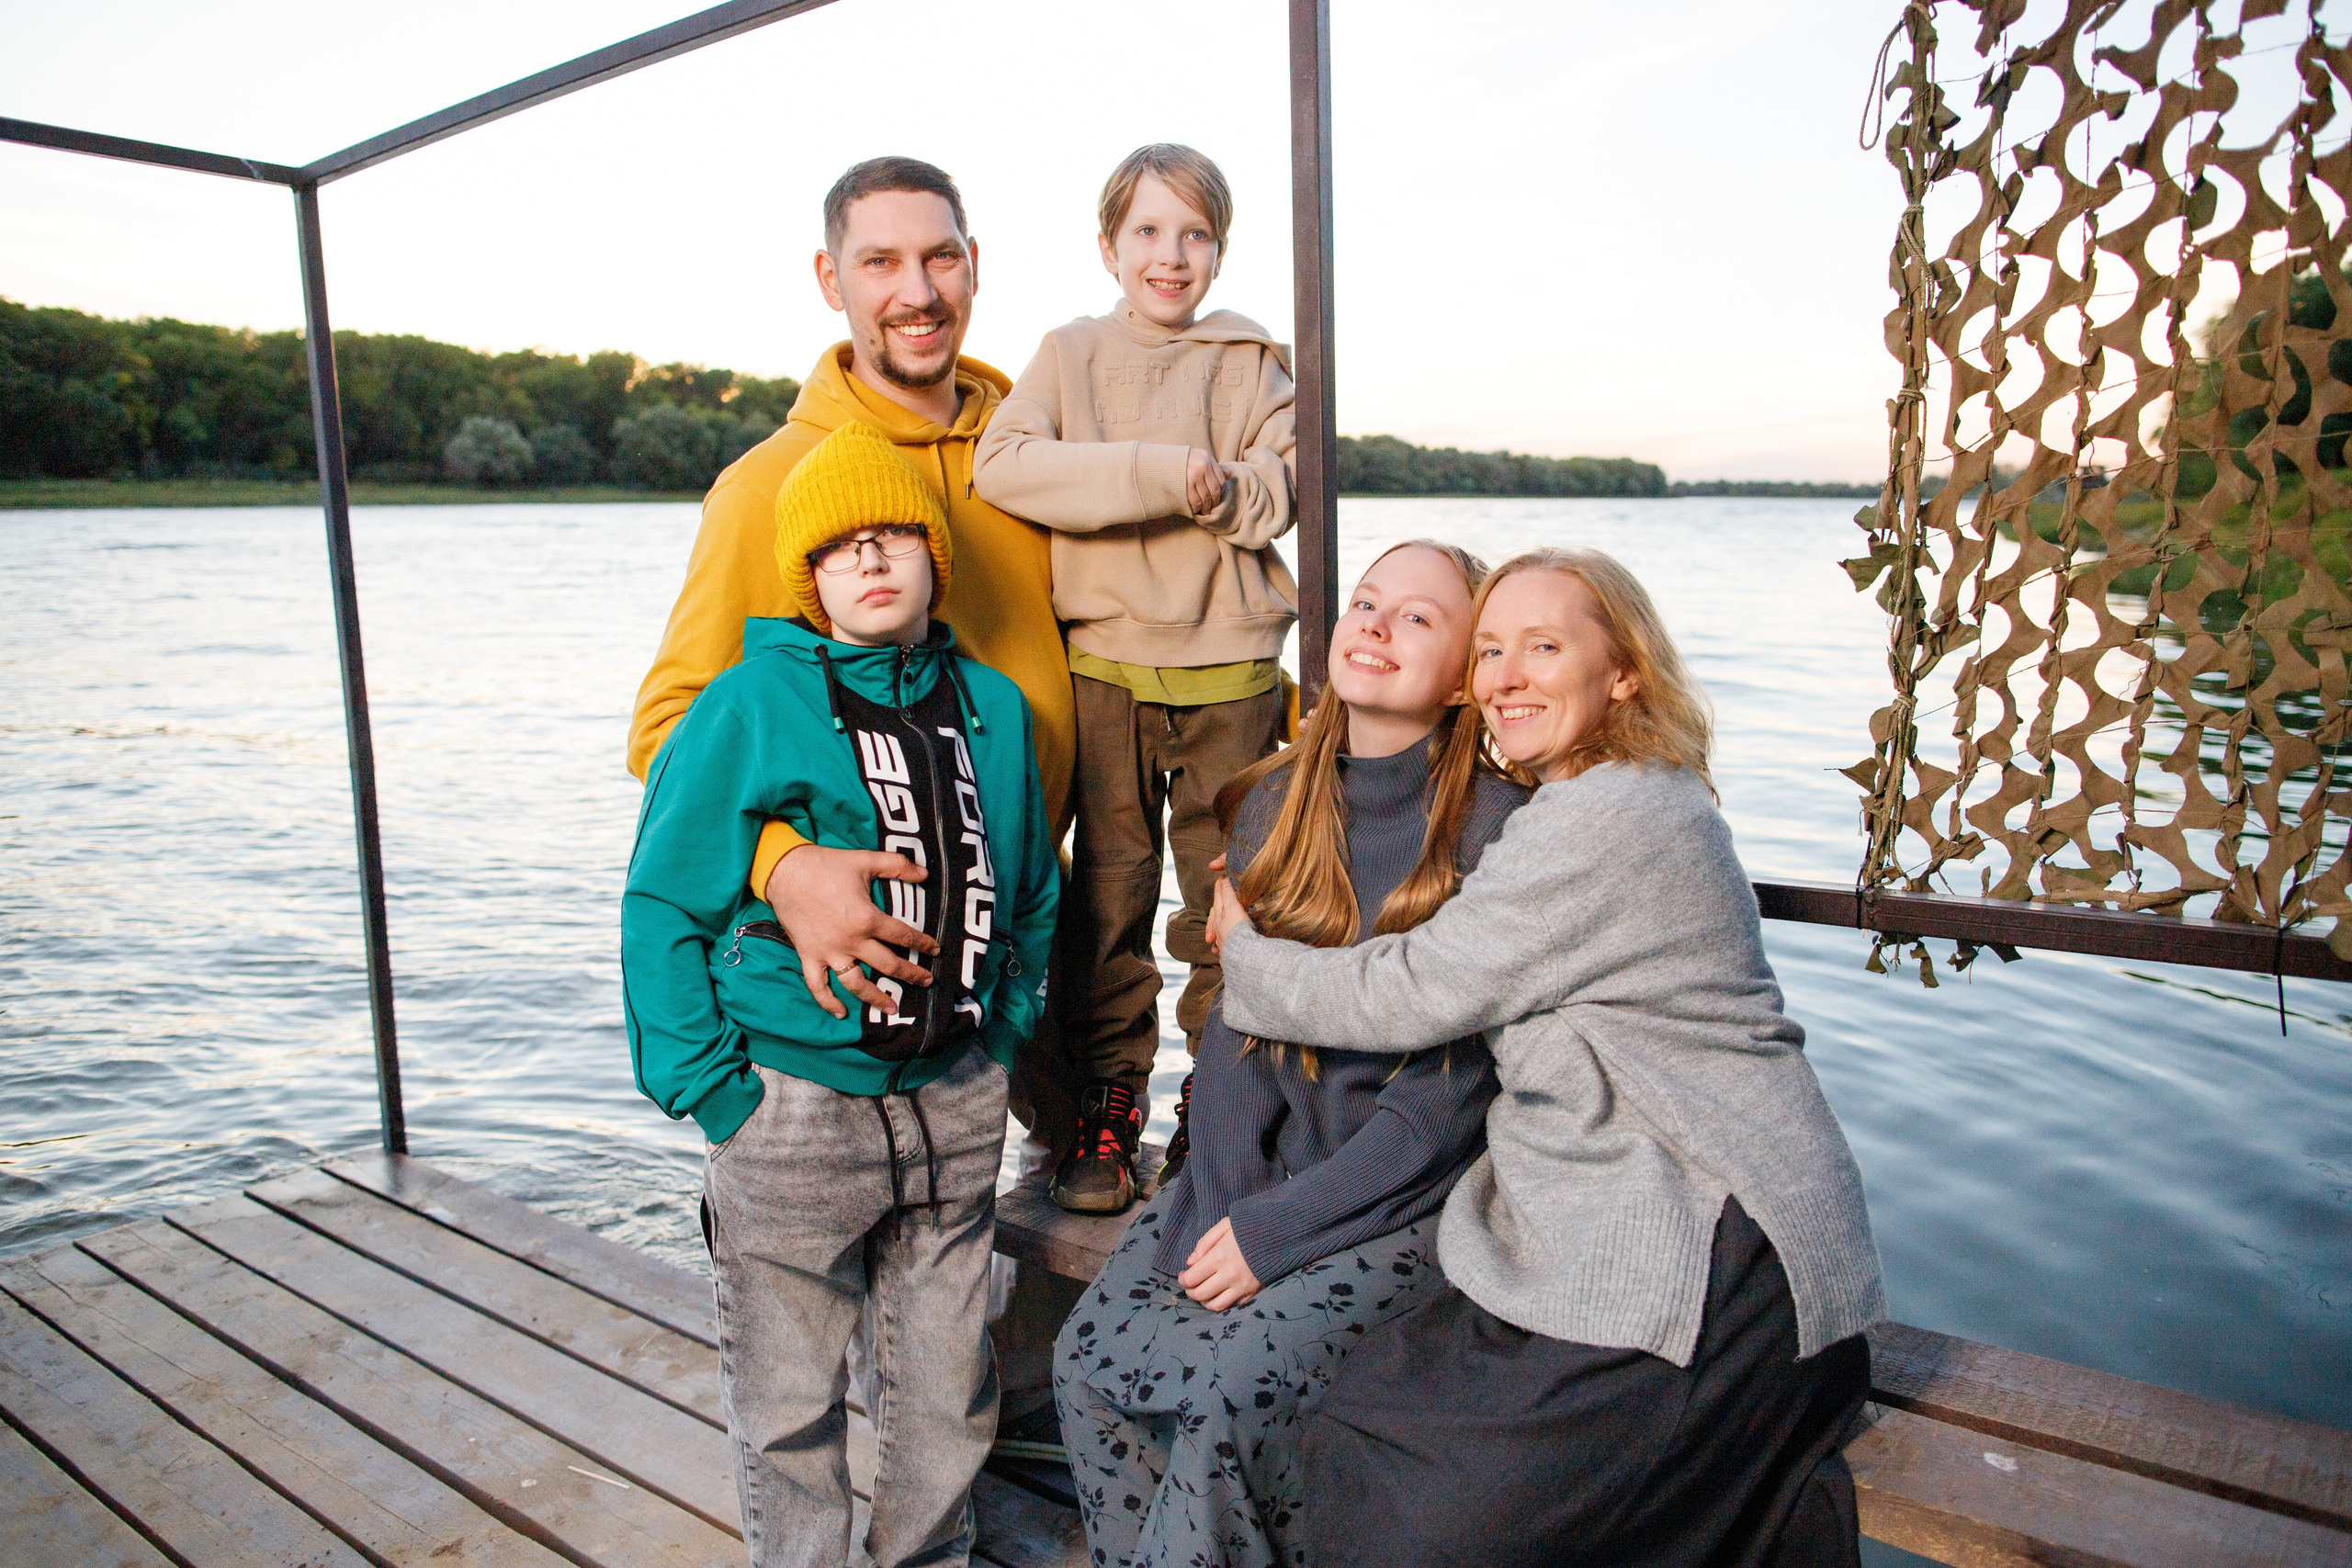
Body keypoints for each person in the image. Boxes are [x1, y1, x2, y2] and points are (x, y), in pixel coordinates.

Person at [1208, 547, 1885, 1568]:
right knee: (1365, 1418)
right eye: (1487, 650)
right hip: (1608, 1210)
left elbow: (1411, 989)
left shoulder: (1617, 816)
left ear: (1624, 675)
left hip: (1715, 1235)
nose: (1506, 676)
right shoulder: (1592, 798)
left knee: (1432, 1513)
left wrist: (1242, 949)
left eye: (1543, 646)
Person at [625, 155, 1080, 1452]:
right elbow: (670, 731)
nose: (915, 290)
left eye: (939, 257)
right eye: (880, 262)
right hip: (834, 998)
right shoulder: (772, 484)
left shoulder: (1025, 456)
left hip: (999, 962)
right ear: (832, 281)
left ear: (976, 266)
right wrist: (781, 869)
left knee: (953, 1345)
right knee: (814, 1364)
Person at [622, 419, 1057, 1568]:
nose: (868, 560)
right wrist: (713, 1094)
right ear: (809, 579)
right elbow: (662, 902)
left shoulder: (995, 710)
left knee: (948, 1396)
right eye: (838, 548)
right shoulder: (747, 705)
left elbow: (1031, 892)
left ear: (933, 558)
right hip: (791, 1109)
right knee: (788, 1409)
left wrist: (999, 1039)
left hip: (954, 1101)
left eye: (893, 537)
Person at [1054, 541, 1523, 1568]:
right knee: (1087, 1362)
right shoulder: (1270, 802)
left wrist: (1279, 1232)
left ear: (1463, 681)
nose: (1375, 624)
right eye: (1366, 602)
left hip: (1405, 1199)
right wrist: (1222, 1199)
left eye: (1417, 619)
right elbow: (1235, 1029)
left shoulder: (1495, 835)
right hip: (1253, 1178)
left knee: (1232, 1393)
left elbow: (1446, 1105)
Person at [973, 142, 1297, 1215]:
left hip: (1234, 668)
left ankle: (1218, 1102)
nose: (1172, 256)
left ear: (1219, 249)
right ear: (1109, 245)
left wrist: (1221, 488)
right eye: (1149, 232)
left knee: (1229, 900)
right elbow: (1007, 467)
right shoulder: (1069, 354)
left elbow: (1272, 495)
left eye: (1195, 234)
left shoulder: (1253, 360)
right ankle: (1105, 1104)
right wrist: (1165, 472)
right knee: (1106, 896)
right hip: (1102, 668)